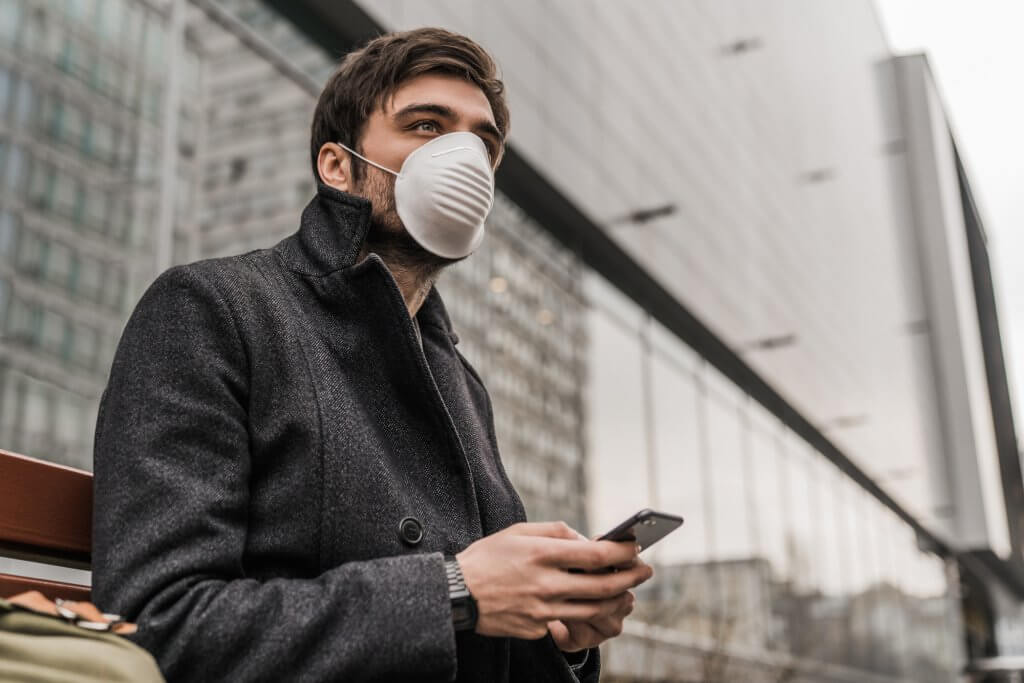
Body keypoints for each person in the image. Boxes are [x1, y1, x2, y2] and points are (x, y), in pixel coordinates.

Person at [91, 27, 653, 682]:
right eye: (425, 125)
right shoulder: (213, 309)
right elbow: (155, 623)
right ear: (338, 166)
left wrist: (564, 633)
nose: (464, 157)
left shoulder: (459, 379)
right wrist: (454, 590)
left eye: (484, 142)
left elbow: (484, 626)